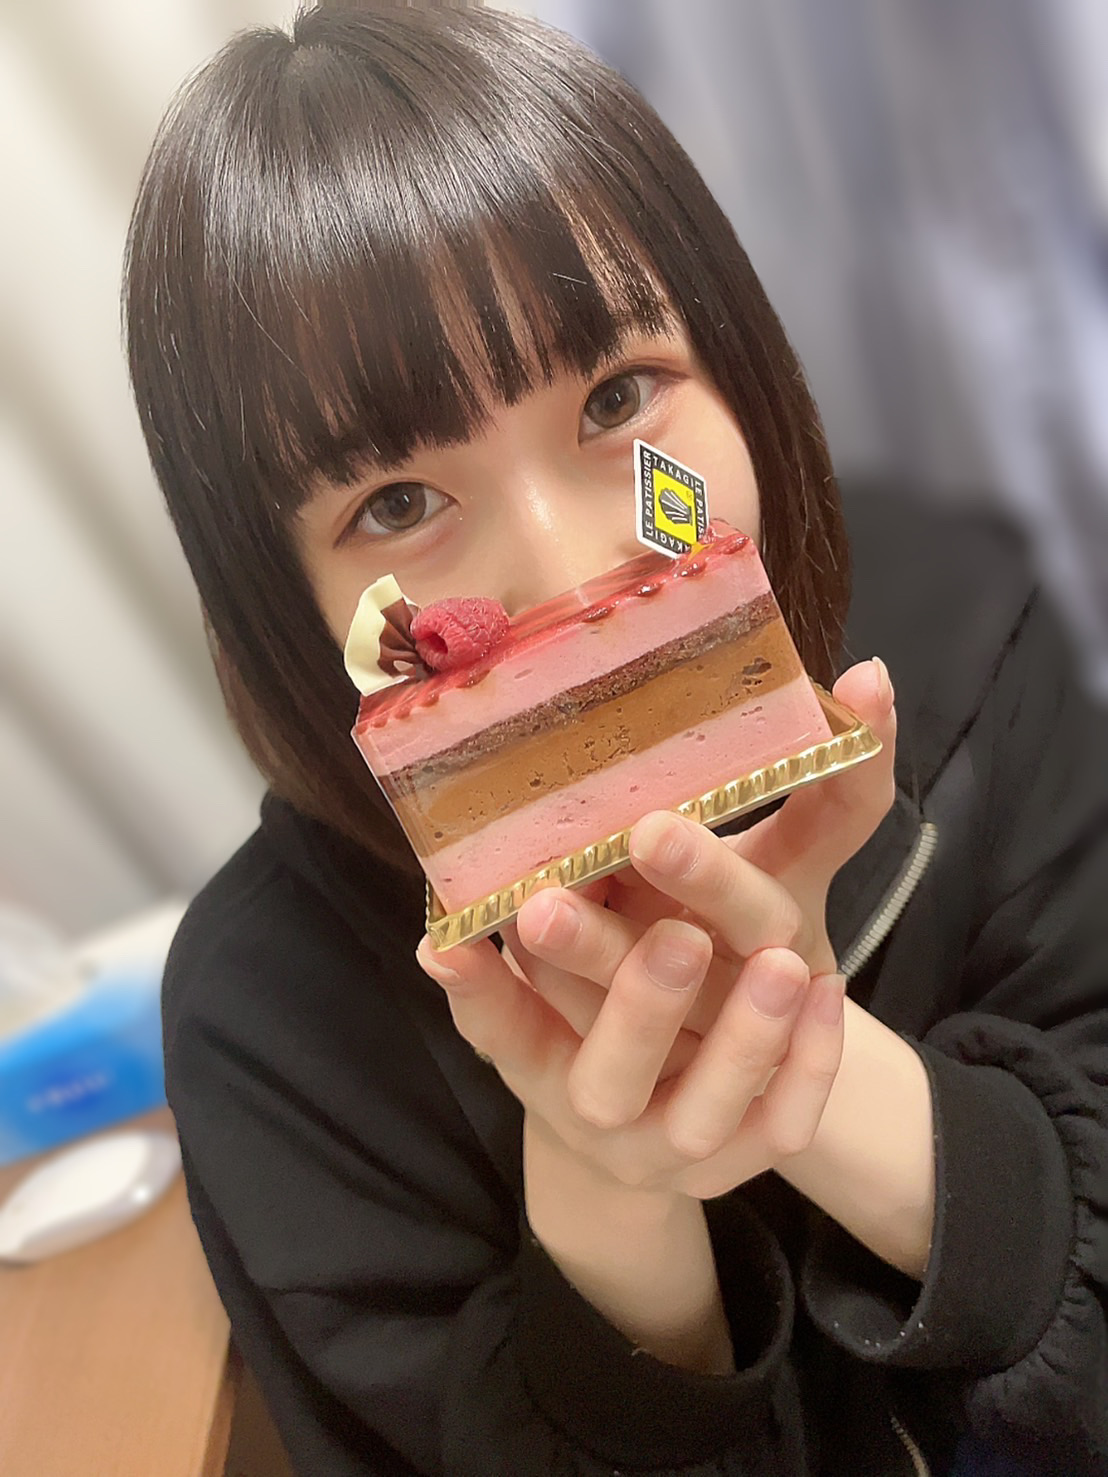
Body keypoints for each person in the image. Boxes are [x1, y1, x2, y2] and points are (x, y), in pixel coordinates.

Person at [123, 5, 1108, 1474]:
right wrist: (608, 1200)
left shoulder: (973, 647)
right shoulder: (266, 1020)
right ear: (281, 605)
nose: (569, 567)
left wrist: (808, 1070)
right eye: (396, 503)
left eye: (617, 393)